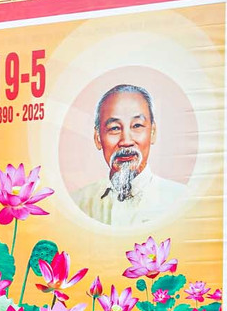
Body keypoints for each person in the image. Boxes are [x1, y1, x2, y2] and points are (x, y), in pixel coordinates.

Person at [72, 84, 187, 227]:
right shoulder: (77, 204)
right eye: (114, 128)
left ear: (153, 132)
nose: (126, 141)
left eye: (137, 126)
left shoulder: (181, 200)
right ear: (98, 138)